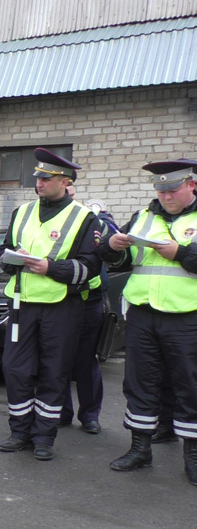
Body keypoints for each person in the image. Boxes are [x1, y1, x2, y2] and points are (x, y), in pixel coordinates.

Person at [0, 148, 102, 461]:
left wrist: (51, 268)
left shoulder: (84, 217)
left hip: (61, 307)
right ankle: (19, 432)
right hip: (21, 303)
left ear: (65, 181)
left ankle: (43, 436)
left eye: (46, 177)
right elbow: (4, 251)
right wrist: (10, 260)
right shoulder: (23, 212)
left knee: (54, 373)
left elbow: (89, 267)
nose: (39, 183)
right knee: (15, 369)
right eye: (37, 177)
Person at [98, 158, 197, 485]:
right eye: (160, 189)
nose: (166, 195)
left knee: (189, 385)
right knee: (140, 382)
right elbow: (122, 257)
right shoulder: (142, 217)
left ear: (191, 186)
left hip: (186, 315)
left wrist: (180, 253)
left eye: (172, 189)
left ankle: (192, 456)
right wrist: (112, 247)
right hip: (142, 313)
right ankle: (140, 448)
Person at [59, 184, 106, 434]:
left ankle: (89, 414)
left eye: (72, 193)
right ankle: (62, 412)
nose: (69, 197)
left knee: (86, 360)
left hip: (88, 300)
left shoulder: (89, 221)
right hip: (62, 299)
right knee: (58, 359)